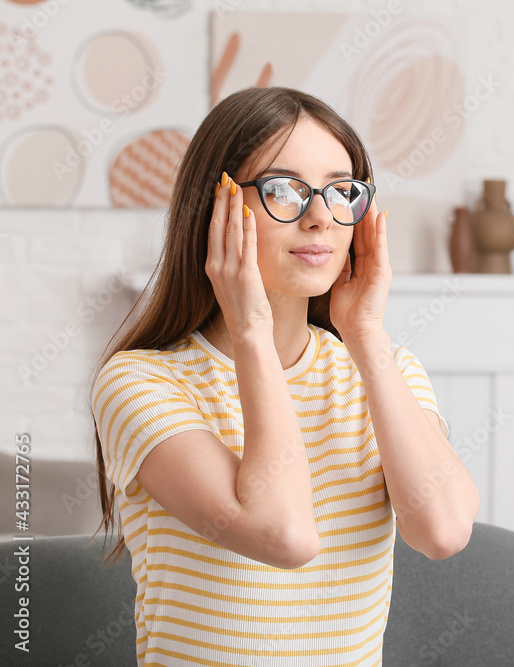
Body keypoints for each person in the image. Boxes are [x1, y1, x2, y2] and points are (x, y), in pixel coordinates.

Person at [88, 86, 480, 666]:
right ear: (214, 210)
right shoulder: (141, 382)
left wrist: (366, 335)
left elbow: (443, 530)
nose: (321, 216)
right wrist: (251, 331)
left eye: (341, 191)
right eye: (285, 190)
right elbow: (285, 536)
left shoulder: (387, 371)